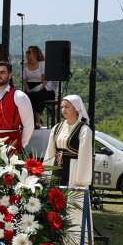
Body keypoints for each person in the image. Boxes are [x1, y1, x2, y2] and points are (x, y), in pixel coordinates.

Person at [44, 94, 93, 235]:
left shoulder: (84, 130)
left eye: (67, 107)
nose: (63, 110)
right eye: (62, 107)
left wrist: (81, 180)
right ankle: (55, 237)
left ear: (76, 108)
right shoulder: (57, 128)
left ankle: (74, 239)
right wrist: (46, 173)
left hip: (74, 170)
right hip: (57, 168)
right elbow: (50, 152)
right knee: (55, 203)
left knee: (73, 205)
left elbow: (85, 156)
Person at [0, 61, 34, 153]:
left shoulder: (19, 96)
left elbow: (29, 126)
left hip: (12, 144)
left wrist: (20, 145)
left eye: (2, 72)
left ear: (9, 75)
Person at [23, 45, 52, 119]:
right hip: (29, 86)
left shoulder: (42, 64)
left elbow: (44, 80)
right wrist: (28, 90)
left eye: (29, 52)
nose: (27, 53)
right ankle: (33, 118)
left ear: (35, 53)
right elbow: (24, 80)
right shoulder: (25, 65)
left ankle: (37, 116)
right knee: (27, 97)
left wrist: (39, 88)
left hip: (40, 86)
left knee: (39, 96)